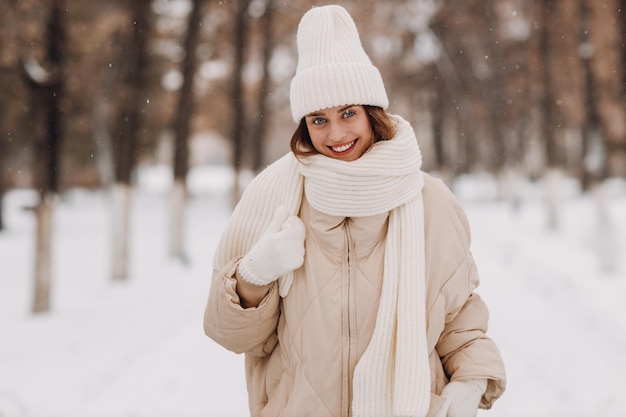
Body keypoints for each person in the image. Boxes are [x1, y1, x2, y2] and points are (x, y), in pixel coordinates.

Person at [204, 5, 506, 417]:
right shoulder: (276, 198)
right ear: (304, 126)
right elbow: (232, 335)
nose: (337, 133)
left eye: (348, 113)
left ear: (371, 113)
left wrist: (471, 381)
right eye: (319, 119)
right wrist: (253, 276)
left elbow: (457, 318)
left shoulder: (428, 201)